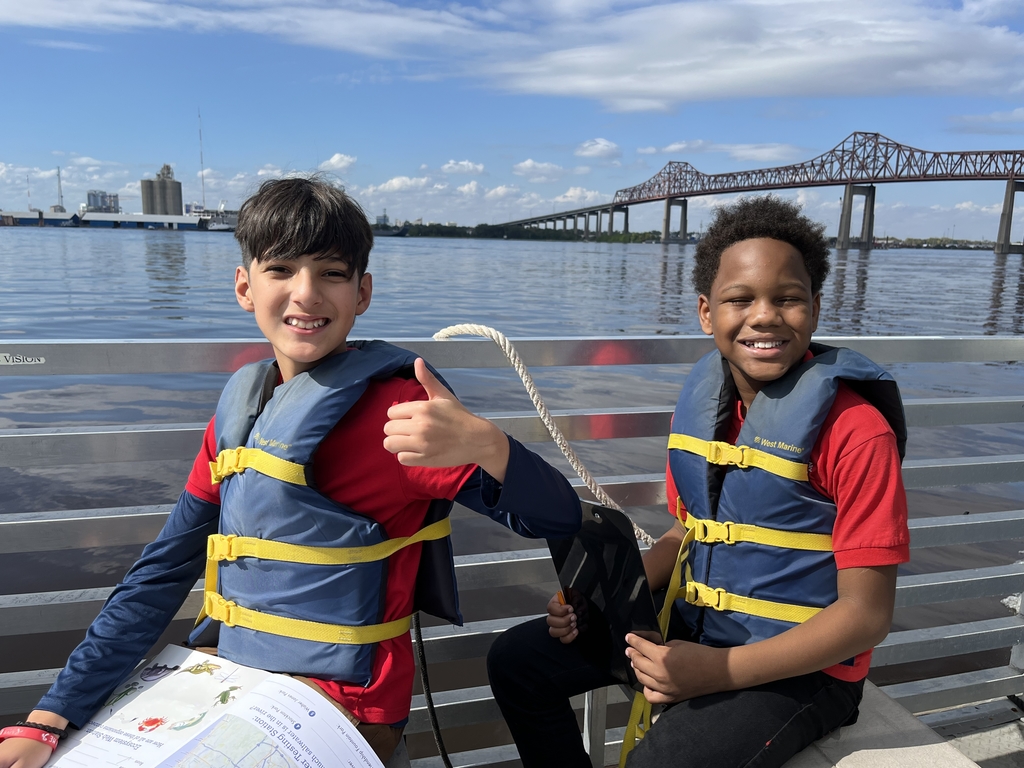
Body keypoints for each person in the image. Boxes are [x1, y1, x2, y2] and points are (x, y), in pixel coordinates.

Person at [0, 176, 581, 768]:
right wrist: (49, 718)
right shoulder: (239, 415)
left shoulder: (400, 413)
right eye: (280, 268)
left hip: (345, 709)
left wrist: (488, 443)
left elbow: (557, 517)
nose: (306, 294)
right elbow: (161, 572)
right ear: (244, 286)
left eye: (331, 272)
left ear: (363, 293)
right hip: (232, 678)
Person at [487, 195, 909, 768]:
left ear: (814, 306)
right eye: (741, 299)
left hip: (807, 669)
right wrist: (595, 601)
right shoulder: (709, 413)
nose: (764, 316)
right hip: (698, 622)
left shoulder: (857, 432)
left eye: (788, 298)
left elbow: (867, 615)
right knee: (518, 662)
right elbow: (685, 534)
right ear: (707, 312)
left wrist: (717, 671)